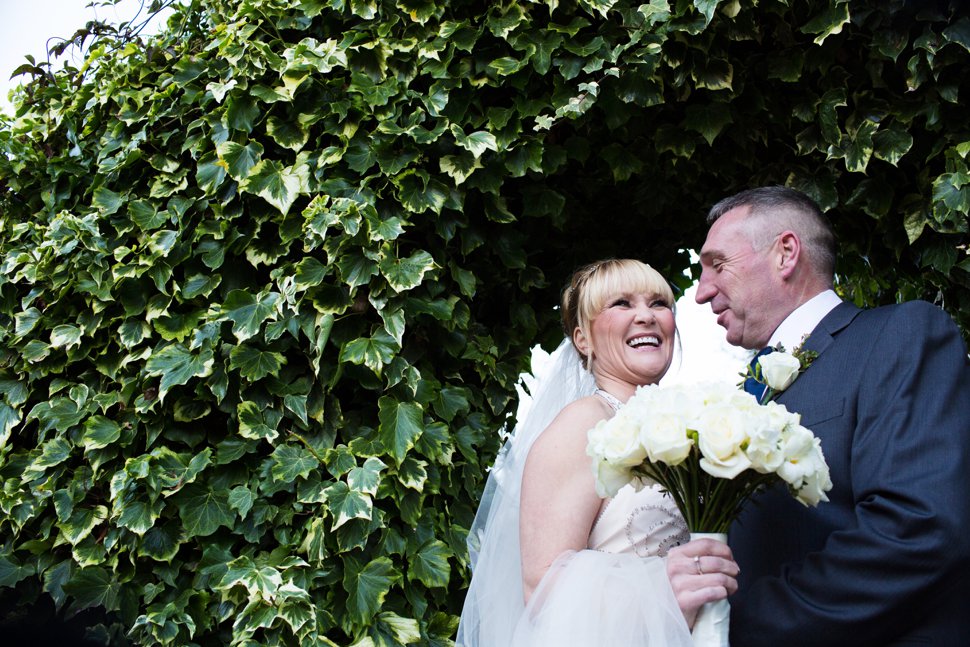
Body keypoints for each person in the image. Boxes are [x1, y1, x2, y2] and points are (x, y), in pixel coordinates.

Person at [695, 185, 970, 646]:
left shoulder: (899, 336)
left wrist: (731, 626)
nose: (702, 292)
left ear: (786, 253)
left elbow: (918, 530)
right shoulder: (745, 394)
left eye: (717, 264)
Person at [457, 258, 739, 647]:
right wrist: (664, 589)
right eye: (622, 303)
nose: (646, 316)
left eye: (659, 303)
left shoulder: (683, 426)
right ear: (582, 339)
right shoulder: (583, 424)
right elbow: (542, 589)